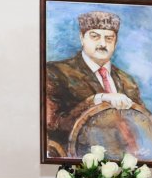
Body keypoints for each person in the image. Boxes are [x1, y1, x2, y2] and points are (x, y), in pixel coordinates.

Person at [45, 11, 146, 158]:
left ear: (115, 42)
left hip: (125, 160)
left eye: (109, 38)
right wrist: (97, 100)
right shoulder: (55, 72)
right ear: (82, 38)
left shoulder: (127, 81)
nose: (103, 44)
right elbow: (51, 124)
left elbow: (142, 124)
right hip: (76, 160)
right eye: (95, 36)